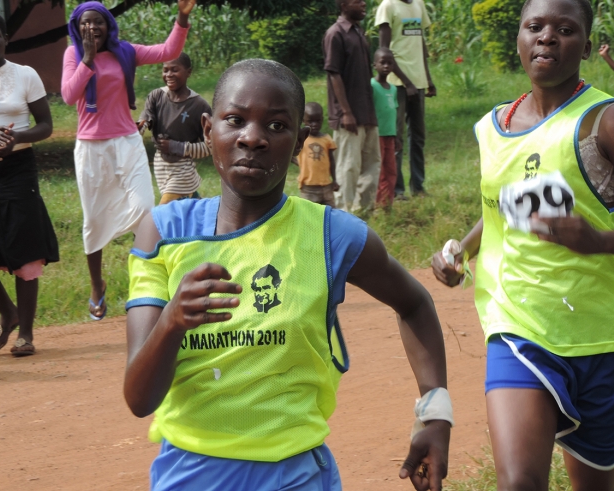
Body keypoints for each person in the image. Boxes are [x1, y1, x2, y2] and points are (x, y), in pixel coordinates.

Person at [124, 59, 451, 491]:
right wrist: (172, 322)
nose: (253, 138)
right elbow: (139, 399)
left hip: (295, 476)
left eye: (276, 126)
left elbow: (414, 303)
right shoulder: (164, 232)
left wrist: (435, 412)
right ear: (208, 130)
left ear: (299, 141)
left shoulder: (330, 235)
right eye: (235, 120)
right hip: (191, 475)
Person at [432, 0, 614, 489]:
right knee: (520, 481)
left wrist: (600, 242)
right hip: (518, 325)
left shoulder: (607, 122)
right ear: (519, 40)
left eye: (564, 30)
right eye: (535, 27)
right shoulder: (491, 127)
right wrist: (461, 249)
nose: (547, 37)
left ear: (587, 47)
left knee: (597, 479)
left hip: (604, 335)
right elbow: (503, 210)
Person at [61, 0, 194, 320]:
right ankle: (97, 286)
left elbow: (167, 50)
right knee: (93, 220)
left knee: (145, 209)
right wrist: (88, 60)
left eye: (98, 23)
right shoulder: (73, 55)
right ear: (78, 28)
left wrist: (182, 17)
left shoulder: (126, 52)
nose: (91, 28)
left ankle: (151, 284)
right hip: (91, 148)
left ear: (108, 26)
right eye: (84, 23)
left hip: (126, 143)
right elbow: (68, 95)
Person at [0, 12, 58, 357]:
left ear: (6, 38)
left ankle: (25, 333)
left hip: (18, 170)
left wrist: (17, 138)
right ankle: (7, 312)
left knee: (25, 248)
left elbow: (45, 125)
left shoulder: (26, 75)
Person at [323, 0, 381, 213]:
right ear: (343, 4)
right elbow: (333, 74)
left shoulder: (359, 32)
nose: (364, 4)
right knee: (348, 167)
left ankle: (363, 211)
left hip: (366, 111)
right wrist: (346, 112)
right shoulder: (335, 34)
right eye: (358, 1)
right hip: (349, 115)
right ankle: (343, 213)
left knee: (371, 163)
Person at [376, 0, 435, 199]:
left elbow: (420, 44)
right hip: (396, 84)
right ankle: (397, 190)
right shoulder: (388, 6)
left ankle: (418, 187)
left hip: (417, 83)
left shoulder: (419, 4)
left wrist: (427, 79)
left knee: (418, 137)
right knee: (396, 138)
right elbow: (383, 51)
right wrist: (406, 81)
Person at [138, 53, 211, 205]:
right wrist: (140, 126)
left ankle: (147, 229)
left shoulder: (199, 106)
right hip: (161, 168)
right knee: (190, 209)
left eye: (174, 70)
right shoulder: (156, 96)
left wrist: (177, 147)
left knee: (163, 213)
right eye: (165, 70)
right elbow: (146, 117)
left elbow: (211, 147)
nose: (169, 74)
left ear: (188, 72)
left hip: (182, 171)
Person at [371, 48, 399, 208]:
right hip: (377, 135)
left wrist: (397, 135)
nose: (386, 66)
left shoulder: (393, 89)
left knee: (391, 169)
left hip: (391, 134)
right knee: (380, 171)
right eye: (383, 62)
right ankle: (379, 203)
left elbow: (393, 112)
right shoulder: (372, 85)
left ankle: (388, 202)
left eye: (390, 63)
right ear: (375, 64)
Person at [296, 102, 339, 207]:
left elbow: (331, 160)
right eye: (310, 121)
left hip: (326, 186)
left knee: (330, 213)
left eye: (317, 121)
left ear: (322, 120)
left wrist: (335, 180)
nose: (314, 125)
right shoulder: (301, 139)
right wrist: (301, 162)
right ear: (303, 121)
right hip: (308, 188)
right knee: (308, 214)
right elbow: (290, 154)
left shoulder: (327, 139)